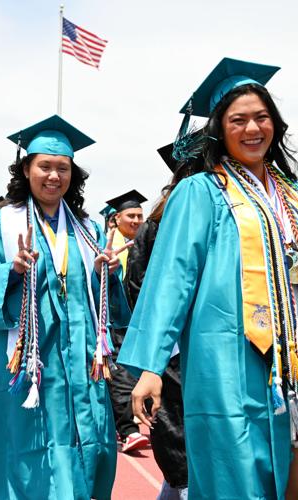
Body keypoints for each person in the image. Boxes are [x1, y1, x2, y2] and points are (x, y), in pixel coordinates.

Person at [119, 57, 298, 500]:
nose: (252, 128)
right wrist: (151, 367)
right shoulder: (200, 192)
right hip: (228, 359)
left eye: (262, 117)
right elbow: (171, 281)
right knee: (236, 478)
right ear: (220, 129)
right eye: (238, 120)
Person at [0, 115, 132, 499]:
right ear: (26, 170)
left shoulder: (87, 230)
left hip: (80, 367)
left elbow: (102, 305)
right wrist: (10, 271)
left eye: (62, 168)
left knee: (85, 448)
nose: (53, 176)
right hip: (27, 368)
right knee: (26, 453)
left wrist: (106, 274)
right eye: (44, 166)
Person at [124, 142, 189, 498]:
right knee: (178, 446)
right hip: (172, 354)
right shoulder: (156, 226)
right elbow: (137, 289)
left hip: (216, 349)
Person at [104, 189, 150, 453]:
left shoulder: (143, 243)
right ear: (116, 218)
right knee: (121, 373)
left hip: (136, 321)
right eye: (130, 215)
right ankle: (129, 430)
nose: (136, 220)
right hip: (114, 323)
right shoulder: (109, 244)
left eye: (139, 216)